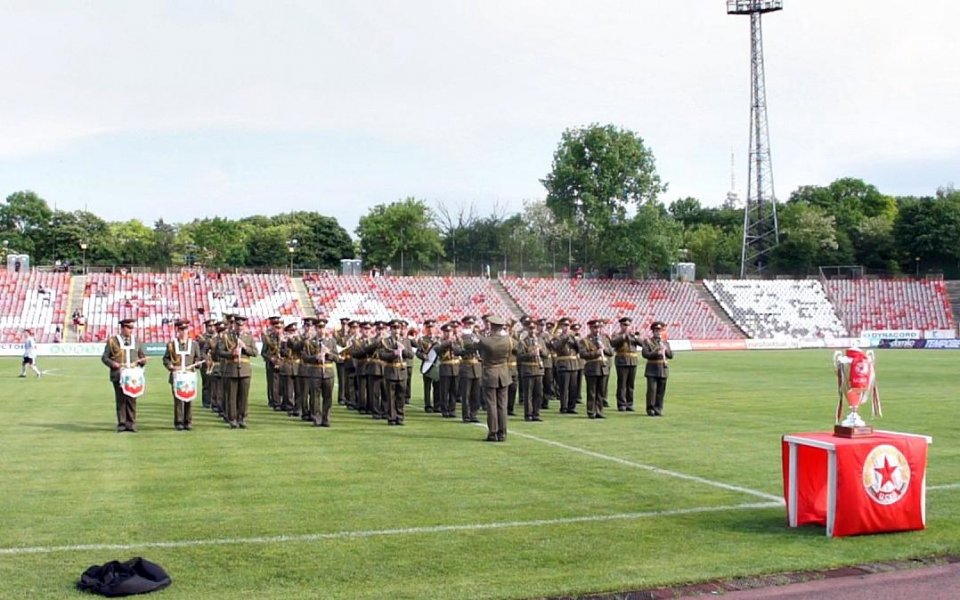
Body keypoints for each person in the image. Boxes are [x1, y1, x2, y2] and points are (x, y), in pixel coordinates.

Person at [469, 315, 514, 442]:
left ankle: (493, 433)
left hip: (490, 373)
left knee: (491, 405)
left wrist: (475, 338)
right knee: (502, 406)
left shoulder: (485, 341)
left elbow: (471, 347)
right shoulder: (508, 340)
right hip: (504, 373)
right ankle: (503, 433)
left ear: (492, 326)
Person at [101, 319, 147, 432]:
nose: (130, 330)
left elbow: (142, 356)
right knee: (121, 399)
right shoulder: (113, 341)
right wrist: (113, 364)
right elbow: (104, 357)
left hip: (133, 375)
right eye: (128, 328)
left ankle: (131, 423)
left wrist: (142, 361)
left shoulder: (136, 341)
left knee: (132, 399)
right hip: (119, 374)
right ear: (122, 328)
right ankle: (122, 423)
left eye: (132, 328)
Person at [217, 315, 259, 428]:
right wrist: (231, 354)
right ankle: (233, 419)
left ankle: (243, 418)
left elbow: (255, 352)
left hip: (245, 370)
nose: (240, 327)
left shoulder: (248, 337)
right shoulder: (227, 336)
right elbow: (219, 352)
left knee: (244, 396)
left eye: (242, 325)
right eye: (238, 324)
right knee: (231, 396)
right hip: (231, 369)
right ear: (234, 324)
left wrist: (245, 347)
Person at [162, 320, 202, 430]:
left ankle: (188, 421)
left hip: (189, 376)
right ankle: (178, 422)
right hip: (177, 376)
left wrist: (198, 364)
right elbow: (166, 359)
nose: (183, 332)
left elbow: (198, 357)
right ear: (177, 331)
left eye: (185, 329)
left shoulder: (194, 344)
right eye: (181, 330)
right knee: (178, 400)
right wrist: (172, 367)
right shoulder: (172, 344)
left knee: (189, 399)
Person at [379, 319, 414, 425]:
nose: (396, 330)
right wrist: (394, 353)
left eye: (398, 328)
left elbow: (411, 355)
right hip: (391, 371)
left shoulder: (406, 341)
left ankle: (400, 416)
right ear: (390, 329)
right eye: (394, 328)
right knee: (390, 396)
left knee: (401, 396)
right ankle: (391, 417)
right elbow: (382, 355)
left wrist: (402, 351)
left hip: (402, 371)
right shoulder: (385, 341)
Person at [580, 319, 614, 419]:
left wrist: (604, 349)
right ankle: (591, 411)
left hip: (603, 368)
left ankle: (600, 411)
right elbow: (583, 354)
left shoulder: (604, 339)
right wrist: (596, 353)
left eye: (598, 327)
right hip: (592, 368)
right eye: (594, 327)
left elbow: (611, 352)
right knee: (591, 391)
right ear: (590, 328)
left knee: (601, 392)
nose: (597, 330)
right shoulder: (585, 340)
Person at [641, 321, 674, 416]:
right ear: (653, 331)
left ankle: (658, 408)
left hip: (663, 369)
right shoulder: (648, 342)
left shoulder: (665, 343)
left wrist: (665, 349)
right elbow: (645, 354)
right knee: (652, 390)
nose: (658, 332)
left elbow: (671, 355)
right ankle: (650, 408)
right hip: (652, 369)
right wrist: (656, 353)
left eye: (660, 330)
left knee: (661, 391)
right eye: (656, 330)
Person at [610, 317, 642, 412]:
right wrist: (623, 336)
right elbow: (613, 343)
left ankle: (630, 403)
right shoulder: (616, 334)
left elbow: (643, 344)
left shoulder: (633, 335)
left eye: (628, 325)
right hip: (622, 360)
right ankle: (621, 404)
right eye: (624, 325)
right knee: (622, 383)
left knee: (630, 384)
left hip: (632, 360)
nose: (626, 327)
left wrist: (635, 337)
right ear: (621, 325)